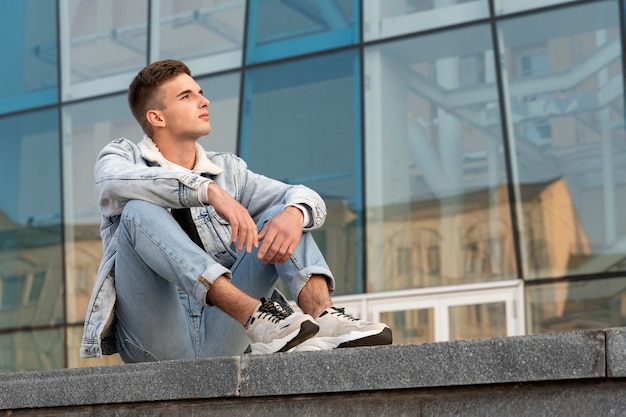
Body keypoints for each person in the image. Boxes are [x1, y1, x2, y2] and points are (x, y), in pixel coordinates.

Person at [80, 59, 392, 363]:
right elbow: (111, 182)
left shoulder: (229, 170)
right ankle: (255, 316)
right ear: (157, 118)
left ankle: (324, 318)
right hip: (156, 337)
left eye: (200, 93)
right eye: (186, 96)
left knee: (282, 213)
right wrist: (208, 192)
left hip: (224, 332)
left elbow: (304, 196)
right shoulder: (123, 156)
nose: (204, 101)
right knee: (137, 212)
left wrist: (295, 213)